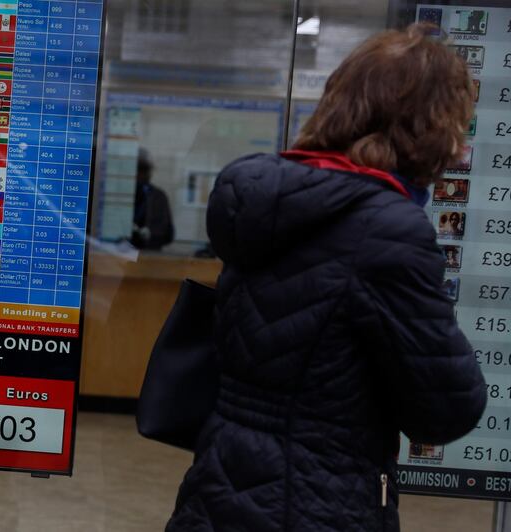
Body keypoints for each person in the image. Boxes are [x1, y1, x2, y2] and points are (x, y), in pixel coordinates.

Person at [167, 24, 486, 532]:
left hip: (219, 492)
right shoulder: (386, 229)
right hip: (315, 503)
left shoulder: (264, 196)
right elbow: (446, 410)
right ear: (430, 127)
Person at [131, 149, 175, 250]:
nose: (141, 175)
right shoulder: (119, 195)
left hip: (148, 257)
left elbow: (168, 234)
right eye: (139, 169)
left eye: (144, 170)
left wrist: (149, 234)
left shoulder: (158, 197)